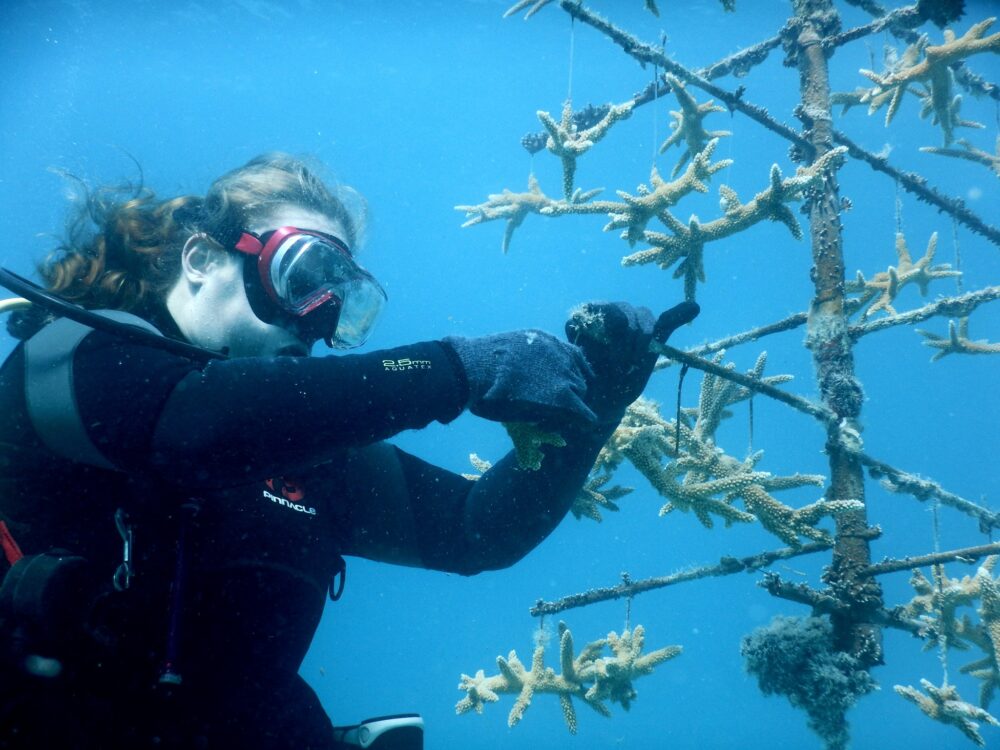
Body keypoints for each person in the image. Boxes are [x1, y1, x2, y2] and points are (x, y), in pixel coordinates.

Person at [0, 153, 697, 749]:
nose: (322, 320)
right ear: (204, 257)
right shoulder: (72, 356)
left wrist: (593, 413)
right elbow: (191, 427)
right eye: (304, 278)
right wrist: (459, 369)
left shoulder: (302, 456)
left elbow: (474, 529)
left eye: (344, 302)